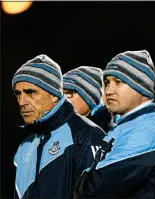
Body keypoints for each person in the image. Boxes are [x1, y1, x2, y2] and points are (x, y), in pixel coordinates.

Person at [73, 50, 155, 198]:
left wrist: (84, 176)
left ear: (141, 86)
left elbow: (94, 191)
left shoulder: (147, 131)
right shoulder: (130, 125)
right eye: (107, 83)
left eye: (118, 82)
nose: (108, 90)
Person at [12, 54, 105, 199]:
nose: (22, 101)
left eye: (31, 92)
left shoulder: (87, 136)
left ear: (54, 94)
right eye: (18, 94)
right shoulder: (24, 144)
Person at [63, 66, 112, 132]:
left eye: (69, 93)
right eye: (61, 94)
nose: (63, 99)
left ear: (90, 98)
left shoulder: (112, 135)